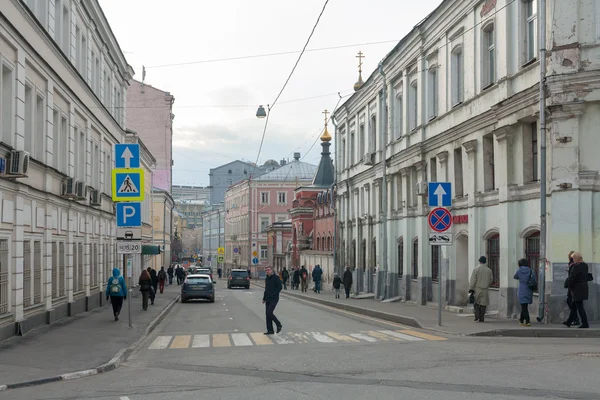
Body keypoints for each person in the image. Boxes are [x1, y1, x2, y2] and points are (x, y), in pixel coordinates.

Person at [563, 252, 590, 328]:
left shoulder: (576, 267)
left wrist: (567, 285)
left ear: (576, 258)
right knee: (574, 306)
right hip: (584, 287)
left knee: (580, 307)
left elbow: (572, 278)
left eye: (573, 258)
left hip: (577, 289)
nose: (573, 260)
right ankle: (569, 321)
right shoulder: (585, 265)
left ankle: (585, 323)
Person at [469, 256, 493, 322]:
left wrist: (471, 288)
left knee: (476, 303)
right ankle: (482, 318)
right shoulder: (489, 270)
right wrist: (487, 284)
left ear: (479, 261)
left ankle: (477, 316)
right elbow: (491, 280)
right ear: (485, 262)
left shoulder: (476, 269)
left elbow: (473, 280)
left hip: (477, 288)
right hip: (485, 289)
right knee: (483, 304)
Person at [514, 259, 536, 326]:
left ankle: (527, 321)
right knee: (524, 305)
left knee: (524, 306)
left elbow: (515, 277)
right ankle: (521, 319)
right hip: (529, 290)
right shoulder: (530, 271)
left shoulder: (519, 271)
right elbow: (534, 279)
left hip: (522, 289)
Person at [262, 266, 283, 335]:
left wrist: (274, 294)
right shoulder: (267, 279)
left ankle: (278, 324)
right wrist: (264, 298)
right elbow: (266, 289)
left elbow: (280, 287)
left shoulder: (276, 277)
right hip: (268, 298)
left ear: (272, 270)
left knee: (269, 312)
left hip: (274, 298)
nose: (267, 271)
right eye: (266, 270)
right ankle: (270, 330)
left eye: (268, 270)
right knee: (267, 315)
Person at [565, 251, 580, 326]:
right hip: (572, 287)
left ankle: (575, 319)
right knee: (571, 302)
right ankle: (574, 319)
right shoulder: (572, 264)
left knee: (571, 302)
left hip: (572, 287)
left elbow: (573, 276)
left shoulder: (574, 264)